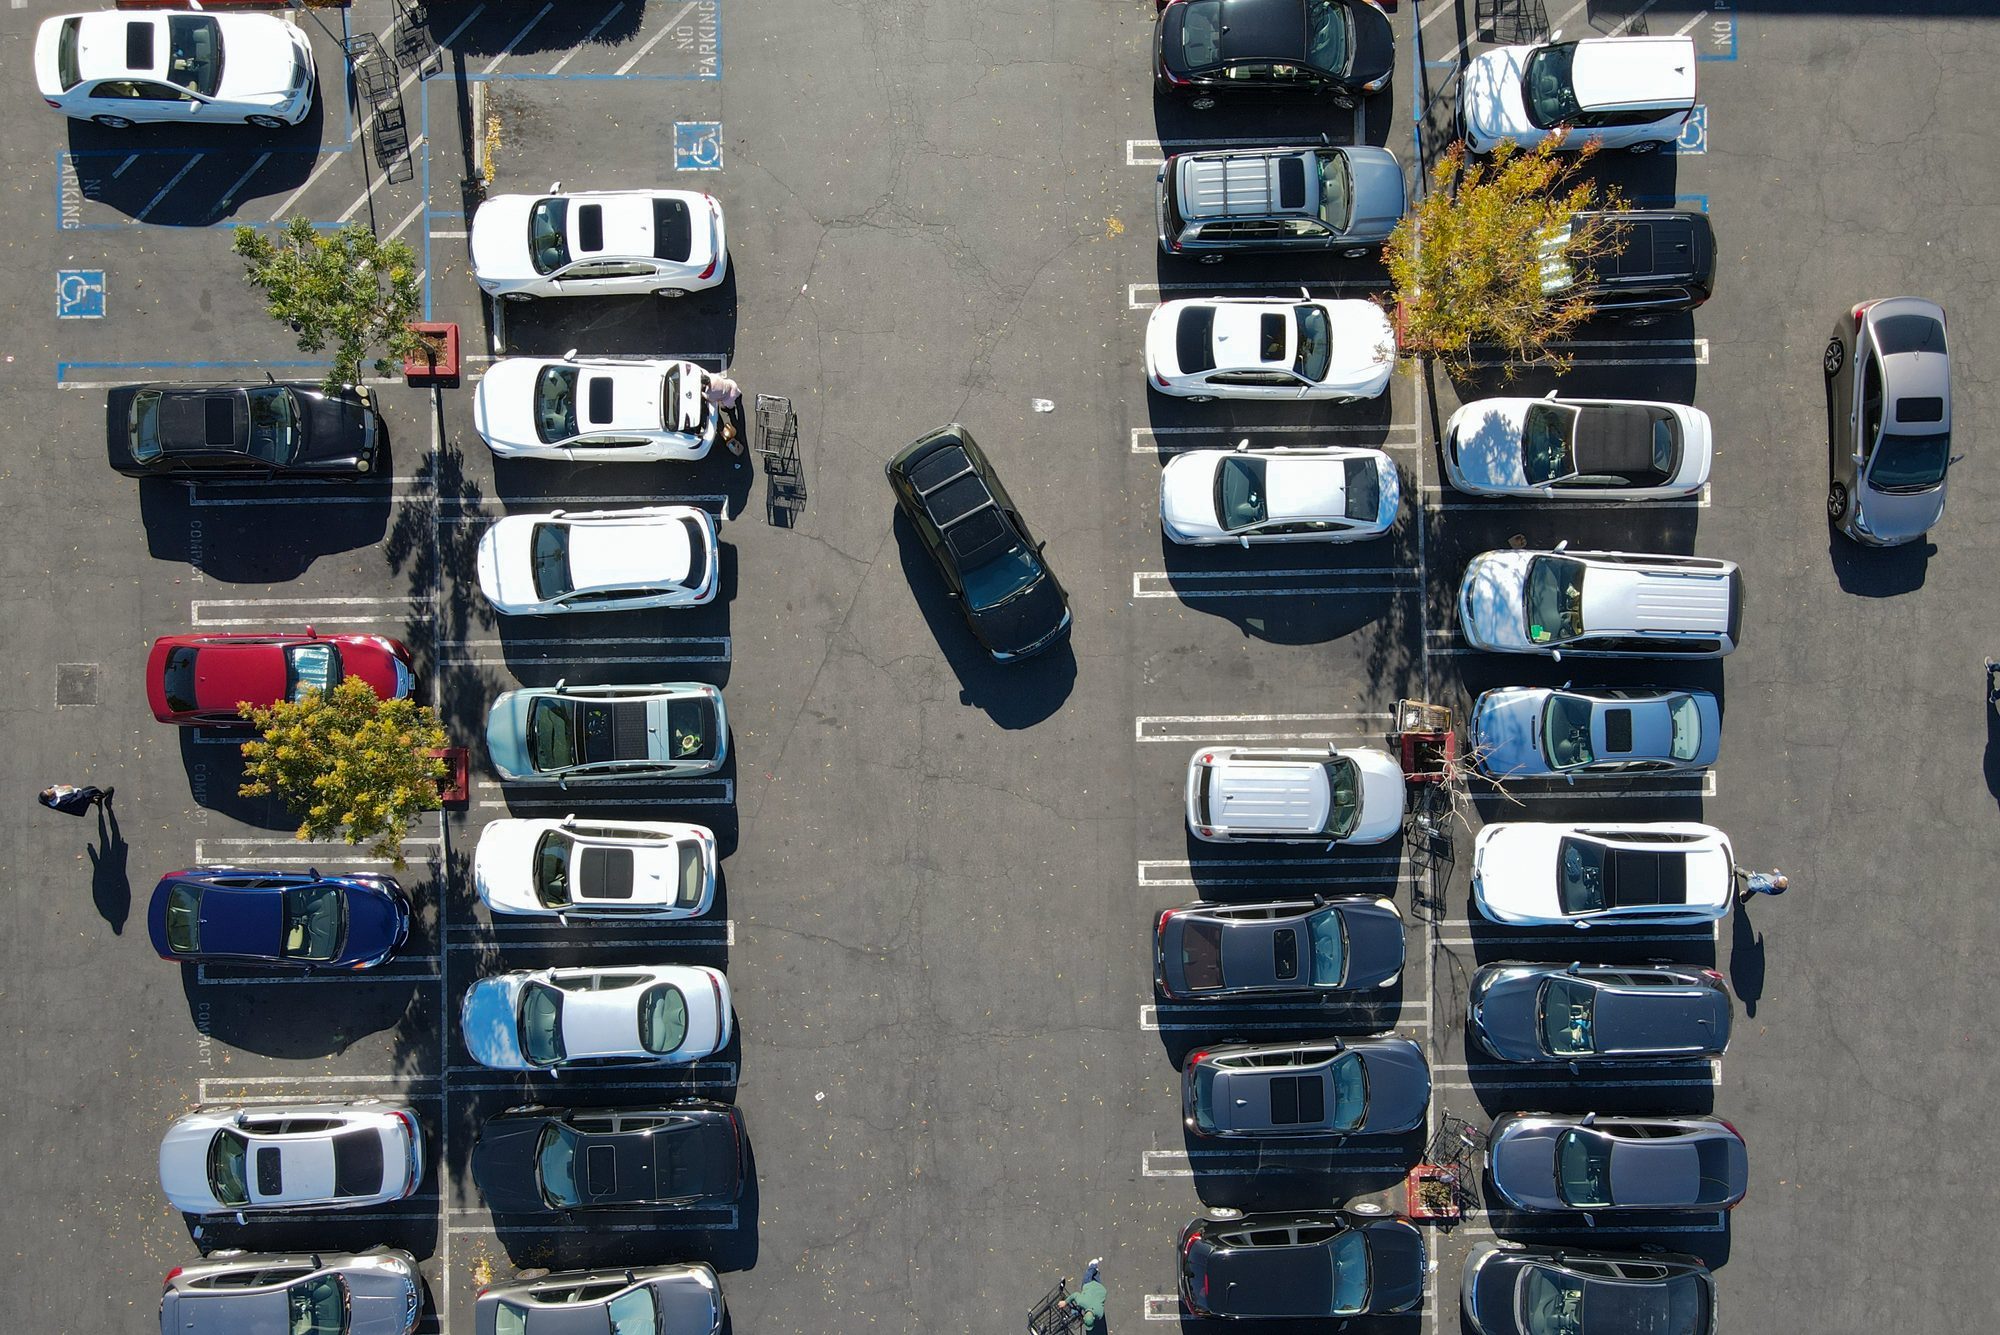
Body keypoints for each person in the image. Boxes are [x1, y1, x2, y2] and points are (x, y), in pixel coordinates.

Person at [705, 372, 747, 456]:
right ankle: (735, 408)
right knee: (738, 405)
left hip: (729, 399)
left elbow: (710, 399)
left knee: (732, 415)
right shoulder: (713, 377)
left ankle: (739, 430)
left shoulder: (711, 392)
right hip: (732, 388)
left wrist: (702, 394)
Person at [40, 783, 110, 816]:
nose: (54, 791)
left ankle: (95, 800)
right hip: (77, 800)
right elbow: (77, 797)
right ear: (51, 798)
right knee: (92, 790)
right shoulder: (61, 801)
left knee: (89, 797)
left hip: (74, 799)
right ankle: (102, 795)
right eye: (53, 793)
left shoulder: (46, 799)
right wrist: (79, 792)